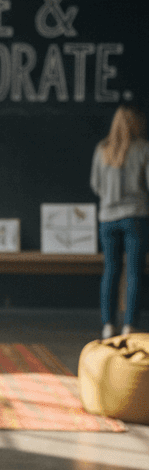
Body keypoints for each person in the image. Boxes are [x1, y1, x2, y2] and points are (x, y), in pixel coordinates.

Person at [90, 105, 149, 337]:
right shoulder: (144, 148)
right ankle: (129, 325)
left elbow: (95, 185)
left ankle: (108, 325)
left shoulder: (102, 149)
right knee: (134, 272)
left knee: (111, 271)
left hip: (107, 219)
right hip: (135, 216)